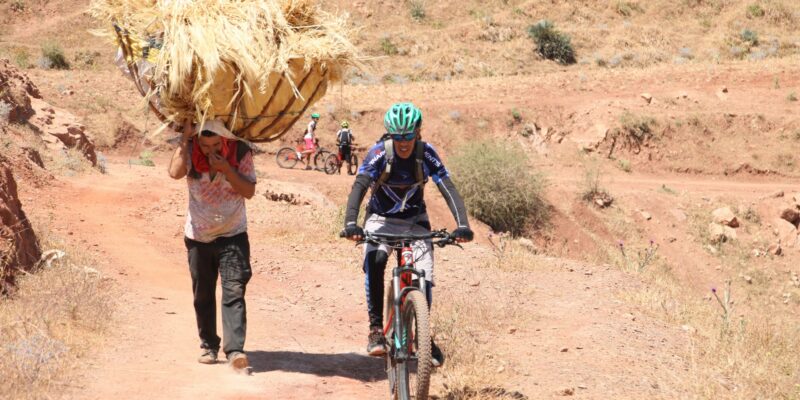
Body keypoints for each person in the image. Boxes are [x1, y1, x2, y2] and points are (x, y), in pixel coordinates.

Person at [340, 102, 474, 367]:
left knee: (423, 277)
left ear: (418, 132)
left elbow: (447, 187)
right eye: (398, 137)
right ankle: (376, 330)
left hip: (415, 221)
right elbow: (360, 186)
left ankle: (421, 334)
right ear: (390, 134)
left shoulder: (426, 154)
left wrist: (462, 225)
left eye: (409, 136)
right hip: (380, 220)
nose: (403, 143)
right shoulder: (379, 153)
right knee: (376, 262)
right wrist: (351, 223)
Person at [167, 119, 257, 371]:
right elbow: (174, 173)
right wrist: (184, 141)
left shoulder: (239, 152)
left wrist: (228, 170)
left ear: (225, 140)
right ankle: (208, 345)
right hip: (198, 235)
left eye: (216, 143)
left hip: (233, 233)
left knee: (234, 291)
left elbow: (248, 190)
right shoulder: (190, 150)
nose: (211, 150)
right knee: (203, 294)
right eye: (205, 145)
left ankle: (235, 350)